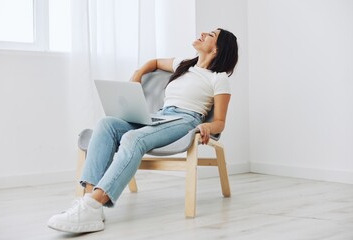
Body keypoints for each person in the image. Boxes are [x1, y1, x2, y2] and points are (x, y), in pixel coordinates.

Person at [47, 28, 238, 233]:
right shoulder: (184, 64)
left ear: (218, 49)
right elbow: (154, 63)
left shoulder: (219, 78)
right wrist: (138, 74)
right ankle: (89, 203)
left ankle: (93, 204)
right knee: (106, 124)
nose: (203, 33)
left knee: (133, 138)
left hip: (185, 120)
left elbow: (219, 121)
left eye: (211, 34)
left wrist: (207, 126)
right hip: (161, 115)